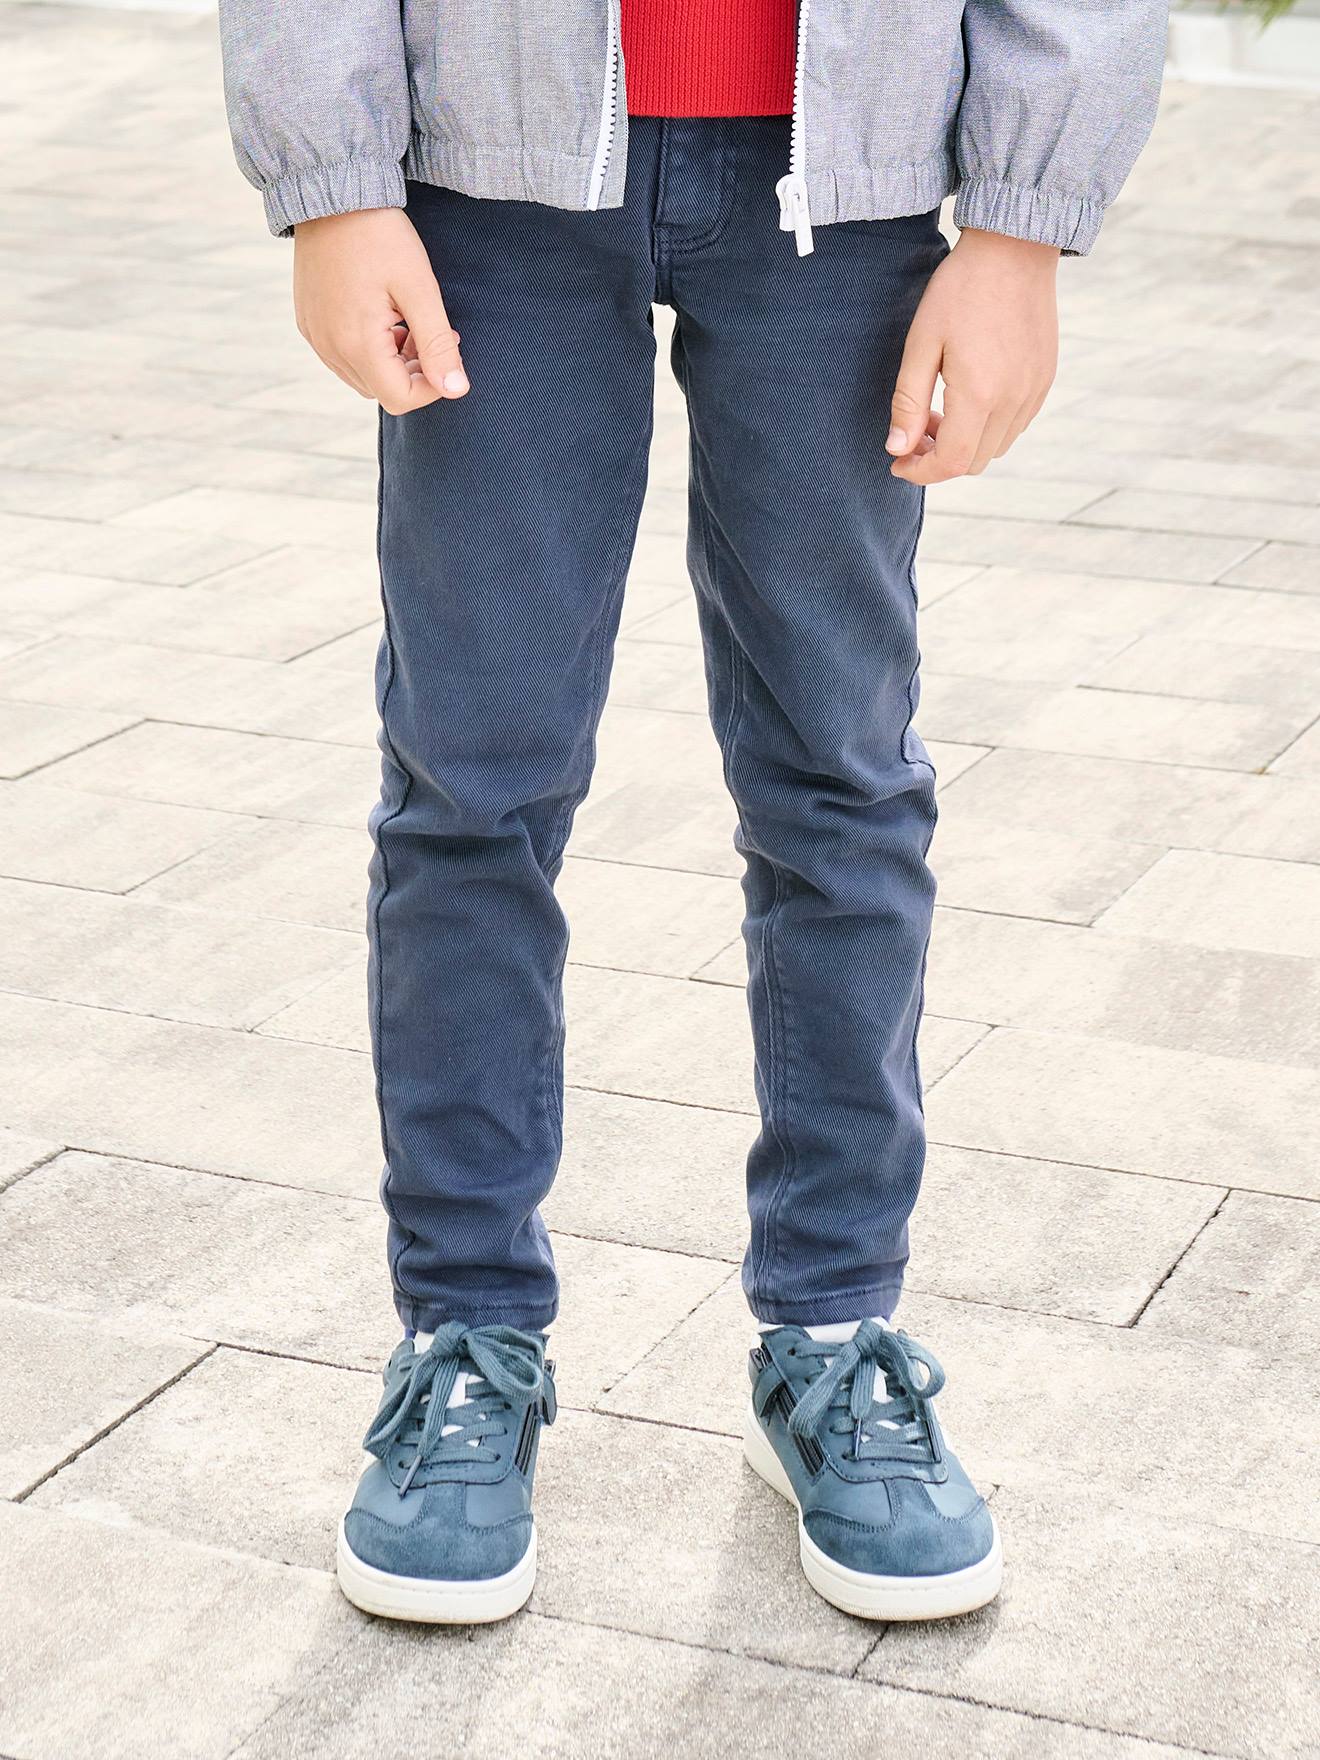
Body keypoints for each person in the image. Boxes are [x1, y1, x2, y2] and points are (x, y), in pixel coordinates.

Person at [217, 0, 1166, 1626]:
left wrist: (1023, 224)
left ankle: (833, 1334)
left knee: (841, 779)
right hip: (491, 175)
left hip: (843, 180)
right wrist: (334, 178)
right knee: (470, 785)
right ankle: (464, 1338)